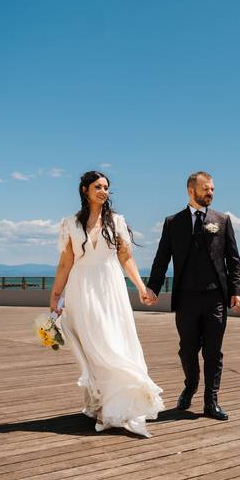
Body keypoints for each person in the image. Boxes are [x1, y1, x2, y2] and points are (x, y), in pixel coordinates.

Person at [50, 170, 164, 437]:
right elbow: (66, 262)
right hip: (82, 289)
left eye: (106, 187)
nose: (103, 191)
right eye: (98, 187)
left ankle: (122, 404)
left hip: (110, 287)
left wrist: (140, 287)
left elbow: (126, 258)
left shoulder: (117, 221)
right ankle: (103, 405)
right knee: (93, 347)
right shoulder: (70, 224)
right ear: (85, 190)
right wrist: (56, 294)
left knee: (113, 343)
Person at [145, 171, 240, 421]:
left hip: (215, 299)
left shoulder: (222, 220)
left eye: (212, 189)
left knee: (213, 352)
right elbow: (161, 259)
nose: (210, 193)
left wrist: (236, 291)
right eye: (206, 189)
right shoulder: (173, 222)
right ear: (192, 190)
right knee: (187, 350)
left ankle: (211, 401)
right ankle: (191, 385)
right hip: (186, 299)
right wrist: (152, 288)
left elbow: (233, 259)